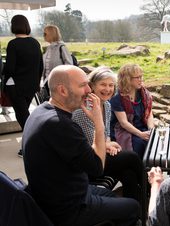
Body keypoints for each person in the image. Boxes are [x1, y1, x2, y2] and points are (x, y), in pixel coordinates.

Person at [22, 65, 140, 226]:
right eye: (83, 85)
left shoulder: (41, 111)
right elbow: (97, 167)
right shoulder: (59, 124)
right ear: (63, 90)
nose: (88, 90)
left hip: (58, 193)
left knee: (113, 194)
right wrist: (98, 123)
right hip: (68, 208)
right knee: (133, 207)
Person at [72, 66, 143, 201]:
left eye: (111, 85)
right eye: (103, 85)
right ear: (92, 86)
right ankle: (151, 189)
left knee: (129, 174)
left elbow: (106, 133)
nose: (108, 89)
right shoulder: (84, 110)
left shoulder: (107, 105)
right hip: (90, 161)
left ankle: (136, 212)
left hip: (102, 152)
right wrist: (107, 145)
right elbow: (90, 142)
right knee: (131, 157)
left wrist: (109, 143)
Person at [3, 15, 43, 157]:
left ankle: (33, 146)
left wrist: (3, 71)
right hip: (31, 86)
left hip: (16, 86)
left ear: (13, 26)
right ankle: (32, 145)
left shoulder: (13, 44)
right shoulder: (35, 43)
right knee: (24, 114)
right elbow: (40, 66)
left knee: (23, 117)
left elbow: (10, 68)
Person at [110, 63, 154, 158]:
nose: (140, 80)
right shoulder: (117, 97)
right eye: (137, 77)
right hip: (124, 131)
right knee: (139, 144)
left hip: (142, 127)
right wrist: (141, 134)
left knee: (154, 141)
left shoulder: (143, 93)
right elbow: (123, 123)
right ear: (127, 79)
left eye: (141, 76)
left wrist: (151, 129)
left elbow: (149, 113)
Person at [41, 25, 73, 96]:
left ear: (51, 34)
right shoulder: (48, 48)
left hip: (59, 84)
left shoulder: (62, 47)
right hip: (47, 83)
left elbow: (69, 65)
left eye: (45, 34)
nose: (43, 36)